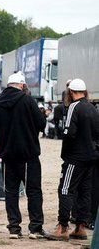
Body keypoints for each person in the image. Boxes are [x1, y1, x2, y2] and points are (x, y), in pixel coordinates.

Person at [0, 72, 47, 239]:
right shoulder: (28, 100)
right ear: (22, 85)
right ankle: (35, 228)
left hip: (8, 155)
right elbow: (42, 124)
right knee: (34, 191)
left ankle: (14, 228)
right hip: (28, 155)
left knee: (11, 191)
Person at [47, 78, 99, 241]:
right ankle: (80, 227)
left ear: (71, 92)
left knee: (65, 189)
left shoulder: (73, 107)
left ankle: (63, 227)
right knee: (85, 191)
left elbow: (69, 133)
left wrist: (66, 154)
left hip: (75, 157)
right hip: (91, 157)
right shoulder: (92, 108)